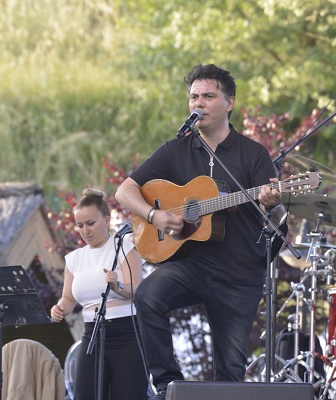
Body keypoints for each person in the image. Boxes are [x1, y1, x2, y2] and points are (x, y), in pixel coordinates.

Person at [115, 64, 286, 400]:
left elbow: (276, 217)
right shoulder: (176, 149)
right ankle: (167, 386)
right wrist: (155, 215)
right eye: (194, 96)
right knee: (148, 297)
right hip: (192, 265)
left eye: (208, 96)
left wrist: (273, 204)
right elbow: (125, 191)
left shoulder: (253, 154)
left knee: (230, 376)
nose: (199, 103)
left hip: (239, 273)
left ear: (229, 102)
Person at [50, 188, 148, 400]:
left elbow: (138, 289)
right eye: (80, 225)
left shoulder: (125, 247)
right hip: (92, 333)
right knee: (85, 394)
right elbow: (68, 298)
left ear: (107, 219)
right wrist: (59, 308)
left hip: (127, 333)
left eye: (90, 223)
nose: (85, 231)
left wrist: (117, 286)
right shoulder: (74, 259)